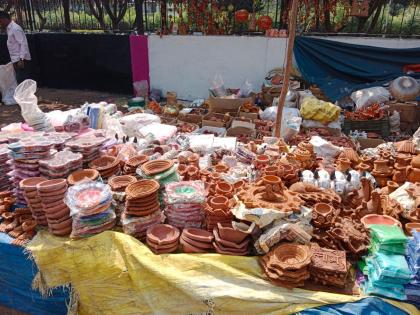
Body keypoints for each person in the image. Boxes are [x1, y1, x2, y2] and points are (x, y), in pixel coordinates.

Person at [0, 11, 31, 83]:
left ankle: (25, 94)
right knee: (20, 81)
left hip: (21, 60)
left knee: (22, 81)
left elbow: (23, 44)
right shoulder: (9, 29)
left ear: (5, 19)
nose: (0, 24)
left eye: (0, 21)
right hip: (16, 60)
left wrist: (21, 59)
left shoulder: (15, 28)